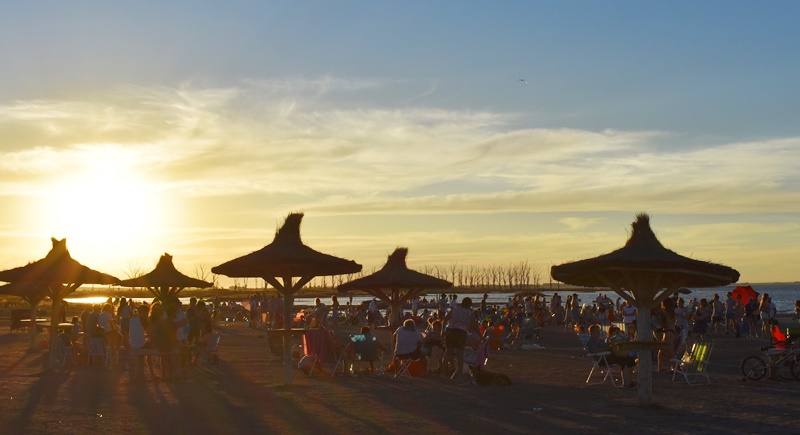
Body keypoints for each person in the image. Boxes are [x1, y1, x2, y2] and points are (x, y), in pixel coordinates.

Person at [586, 324, 636, 389]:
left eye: (599, 331)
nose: (598, 333)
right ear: (591, 333)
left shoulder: (600, 340)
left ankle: (628, 381)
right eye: (596, 332)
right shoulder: (591, 341)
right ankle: (626, 384)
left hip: (607, 357)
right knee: (625, 360)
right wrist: (608, 348)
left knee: (630, 359)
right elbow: (595, 351)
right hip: (602, 359)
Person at [442, 297, 473, 379]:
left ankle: (443, 371)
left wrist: (443, 331)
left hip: (450, 330)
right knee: (460, 353)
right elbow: (473, 324)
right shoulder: (469, 312)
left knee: (448, 352)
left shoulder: (454, 309)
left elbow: (445, 319)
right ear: (469, 305)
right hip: (461, 332)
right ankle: (460, 373)